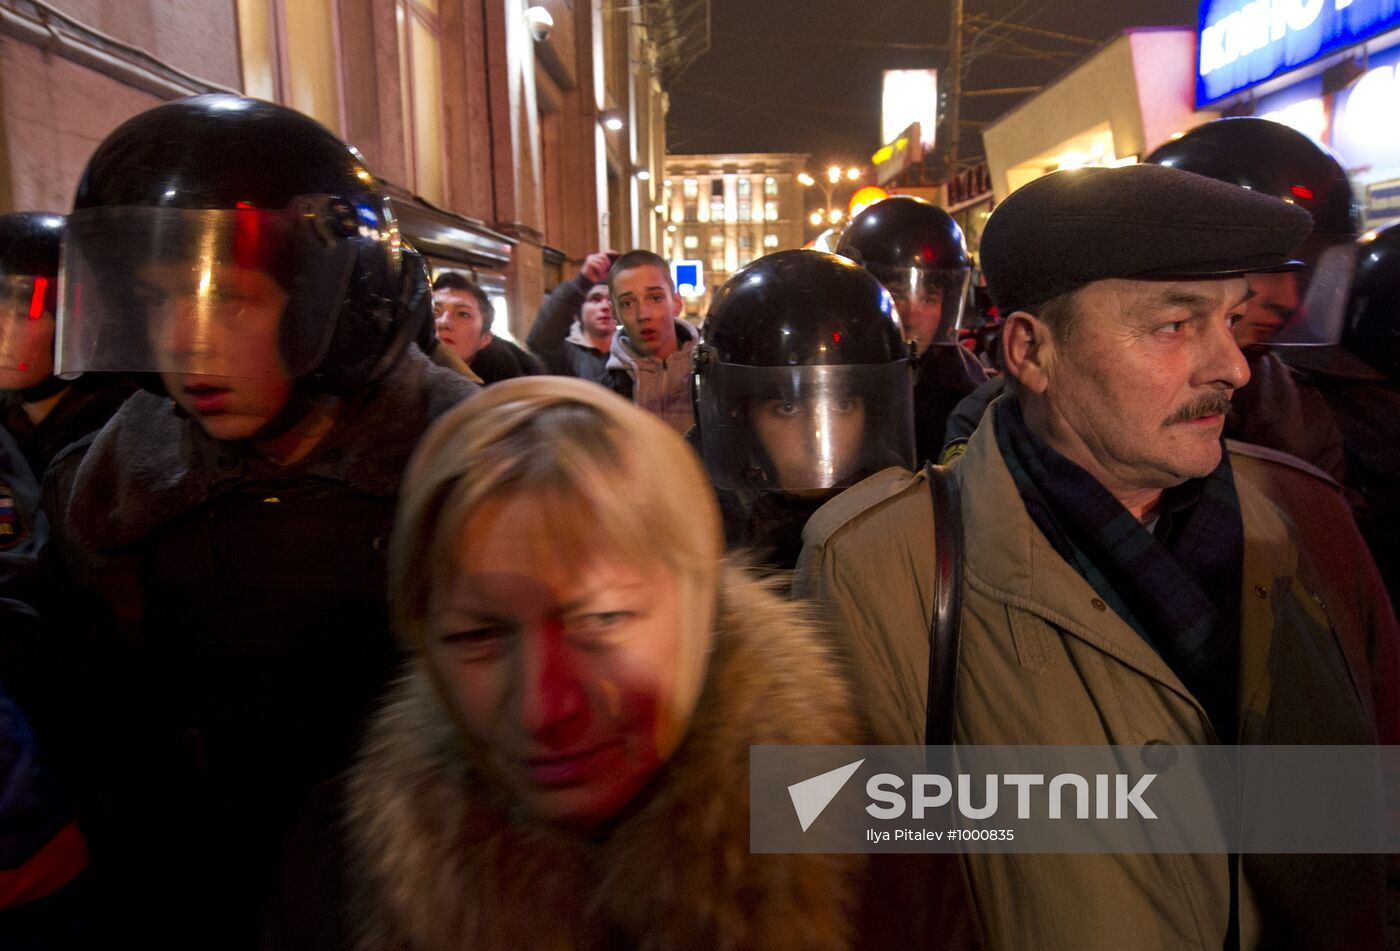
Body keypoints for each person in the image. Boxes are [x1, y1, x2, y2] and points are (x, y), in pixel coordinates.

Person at [796, 164, 1393, 950]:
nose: (1233, 367)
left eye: (1232, 320)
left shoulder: (1308, 520)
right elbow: (849, 888)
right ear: (1031, 352)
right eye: (1175, 326)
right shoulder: (878, 567)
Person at [43, 94, 477, 950]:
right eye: (161, 301)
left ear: (338, 302)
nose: (190, 341)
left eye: (232, 301)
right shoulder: (106, 491)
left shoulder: (474, 466)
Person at [266, 377, 862, 950]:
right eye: (479, 635)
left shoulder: (880, 817)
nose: (540, 710)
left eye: (603, 620)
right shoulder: (333, 866)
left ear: (702, 611)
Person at [1146, 117, 1351, 481]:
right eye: (1263, 263)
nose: (1289, 300)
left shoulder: (1298, 403)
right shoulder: (1106, 396)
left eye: (1303, 268)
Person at [692, 249, 915, 569]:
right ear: (742, 415)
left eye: (841, 405)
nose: (816, 439)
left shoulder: (906, 525)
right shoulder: (702, 530)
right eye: (787, 407)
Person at [836, 196, 988, 463]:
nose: (911, 316)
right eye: (895, 295)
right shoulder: (828, 376)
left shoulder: (965, 388)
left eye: (929, 298)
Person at [605, 249, 698, 433]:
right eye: (628, 303)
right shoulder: (605, 391)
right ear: (615, 313)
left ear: (677, 303)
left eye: (655, 298)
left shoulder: (710, 375)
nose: (643, 315)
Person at [431, 271, 543, 383]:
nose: (443, 322)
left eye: (462, 314)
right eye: (434, 311)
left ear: (485, 339)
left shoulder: (501, 376)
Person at [525, 249, 617, 383]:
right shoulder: (564, 354)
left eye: (611, 301)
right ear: (579, 314)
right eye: (595, 300)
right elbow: (540, 339)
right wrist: (583, 281)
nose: (605, 306)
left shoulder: (628, 353)